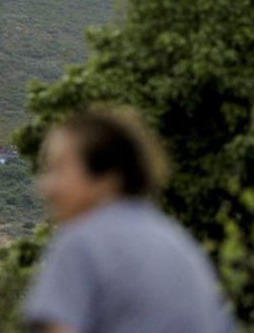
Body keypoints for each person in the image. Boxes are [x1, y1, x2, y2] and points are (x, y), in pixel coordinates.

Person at [23, 107, 235, 333]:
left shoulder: (83, 241)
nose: (44, 187)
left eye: (58, 169)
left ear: (106, 178)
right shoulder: (177, 242)